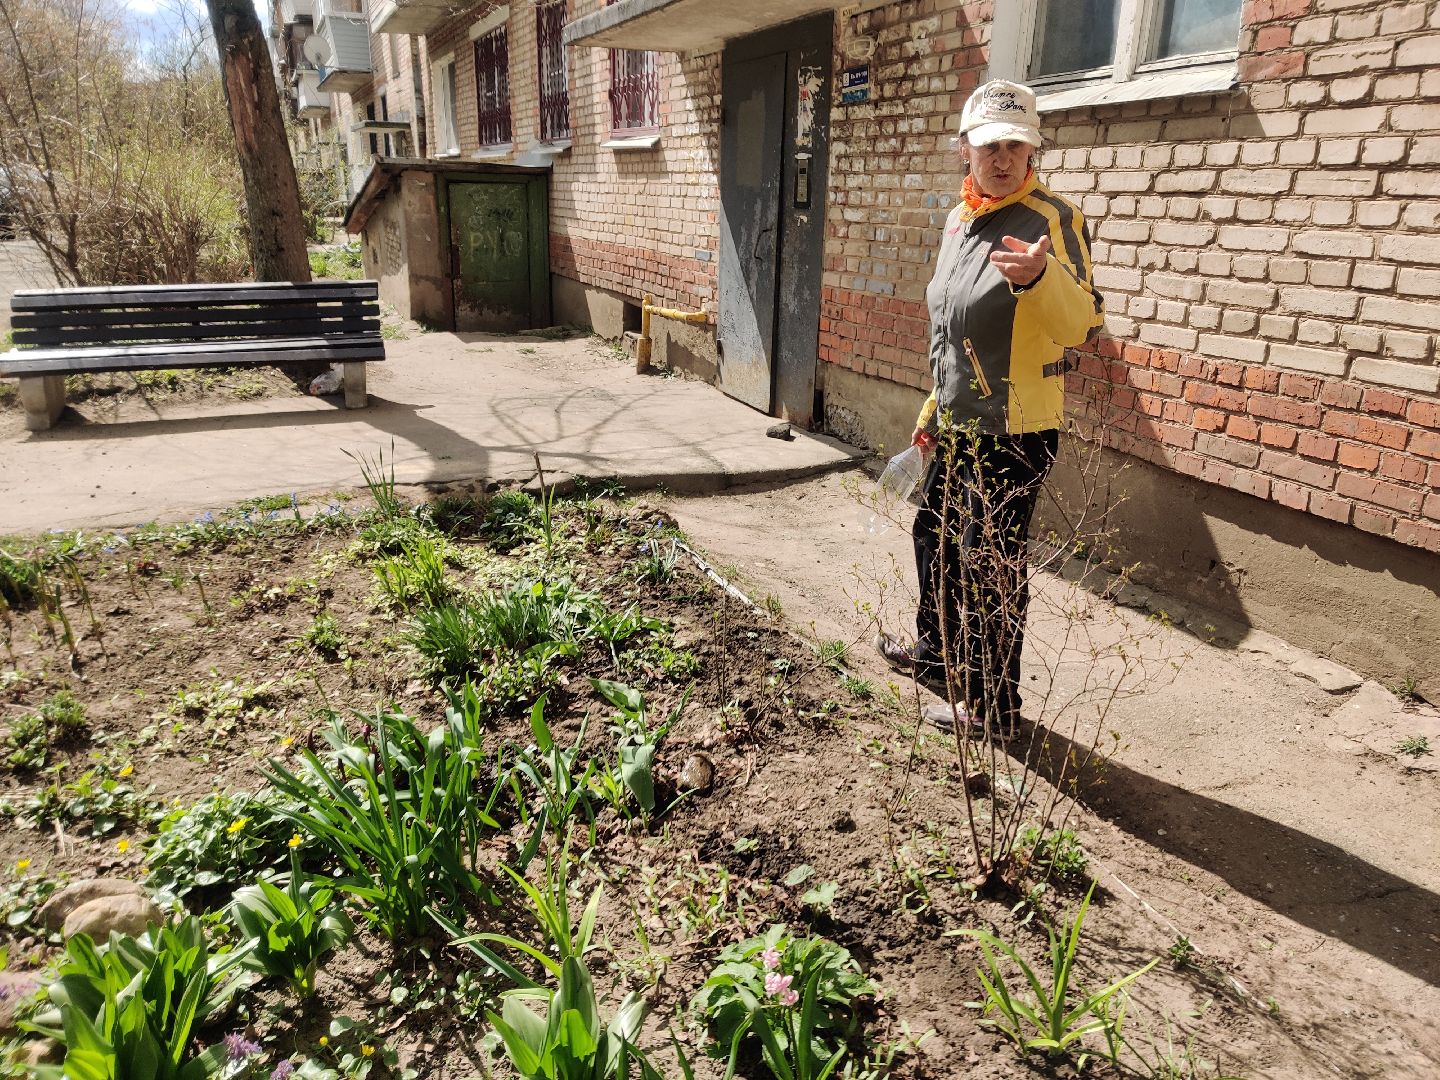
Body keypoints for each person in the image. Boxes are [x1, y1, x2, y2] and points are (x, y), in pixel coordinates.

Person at [875, 79, 1104, 737]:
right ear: (964, 151)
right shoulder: (960, 219)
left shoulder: (1053, 220)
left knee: (990, 565)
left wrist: (1040, 278)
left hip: (1014, 429)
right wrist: (931, 412)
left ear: (1034, 150)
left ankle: (994, 707)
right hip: (955, 421)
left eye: (1015, 144)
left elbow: (1083, 325)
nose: (1001, 158)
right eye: (988, 145)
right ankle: (938, 655)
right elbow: (951, 330)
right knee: (935, 540)